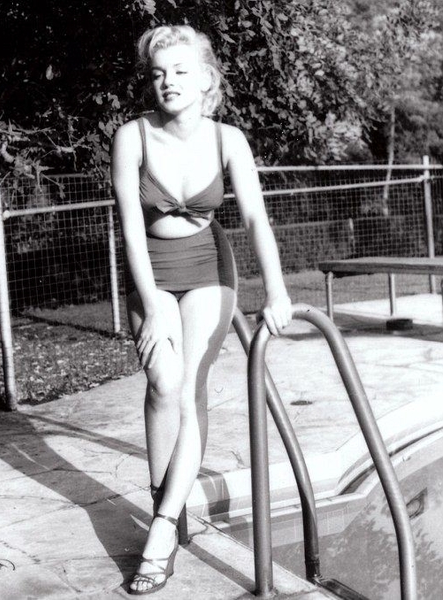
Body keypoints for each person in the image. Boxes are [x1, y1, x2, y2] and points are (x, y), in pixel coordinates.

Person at [110, 24, 292, 595]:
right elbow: (130, 228)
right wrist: (153, 307)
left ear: (207, 77)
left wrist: (277, 290)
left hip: (210, 267)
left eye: (181, 71)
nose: (169, 82)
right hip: (151, 270)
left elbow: (256, 218)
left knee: (189, 386)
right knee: (161, 382)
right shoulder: (132, 137)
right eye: (159, 73)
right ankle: (166, 499)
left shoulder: (228, 139)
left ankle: (163, 529)